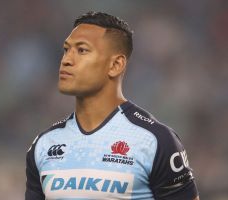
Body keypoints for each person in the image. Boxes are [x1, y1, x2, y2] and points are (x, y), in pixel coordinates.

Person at [25, 11, 199, 200]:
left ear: (116, 65)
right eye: (66, 49)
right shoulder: (44, 144)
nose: (66, 60)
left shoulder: (156, 141)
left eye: (82, 50)